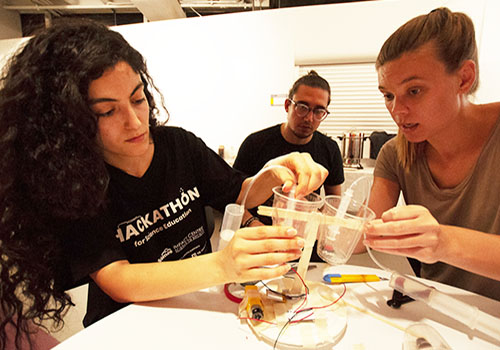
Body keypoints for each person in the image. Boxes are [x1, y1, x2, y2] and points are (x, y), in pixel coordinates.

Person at [0, 19, 329, 348]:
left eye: (137, 98)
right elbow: (118, 278)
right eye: (107, 112)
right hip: (129, 329)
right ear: (69, 121)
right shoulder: (75, 182)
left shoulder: (178, 146)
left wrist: (269, 174)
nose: (134, 121)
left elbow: (240, 192)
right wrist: (223, 264)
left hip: (195, 312)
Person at [359, 7, 500, 301]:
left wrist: (443, 241)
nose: (397, 111)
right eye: (388, 95)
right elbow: (364, 236)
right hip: (436, 311)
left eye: (414, 91)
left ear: (464, 78)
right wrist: (307, 215)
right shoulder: (394, 154)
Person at [233, 70, 344, 226]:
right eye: (302, 107)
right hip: (258, 233)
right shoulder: (255, 143)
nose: (309, 118)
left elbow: (334, 206)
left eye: (319, 111)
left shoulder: (330, 149)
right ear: (287, 105)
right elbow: (234, 199)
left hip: (301, 237)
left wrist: (313, 223)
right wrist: (252, 223)